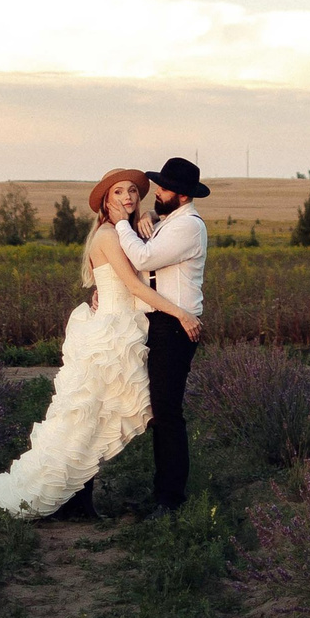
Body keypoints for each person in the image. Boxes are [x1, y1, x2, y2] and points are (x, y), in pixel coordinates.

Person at [0, 169, 197, 518]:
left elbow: (137, 262)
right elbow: (134, 286)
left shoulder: (132, 231)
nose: (128, 198)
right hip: (109, 338)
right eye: (118, 192)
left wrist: (147, 219)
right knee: (87, 416)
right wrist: (182, 313)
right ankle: (71, 496)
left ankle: (82, 498)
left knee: (99, 417)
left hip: (123, 332)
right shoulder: (108, 234)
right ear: (106, 200)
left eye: (133, 191)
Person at [120, 156, 209, 512]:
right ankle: (163, 493)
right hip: (160, 323)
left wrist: (120, 224)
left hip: (176, 326)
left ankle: (170, 499)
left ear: (183, 195)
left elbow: (143, 259)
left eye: (164, 188)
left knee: (167, 411)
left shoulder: (189, 227)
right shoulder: (173, 220)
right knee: (158, 409)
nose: (158, 191)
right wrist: (150, 217)